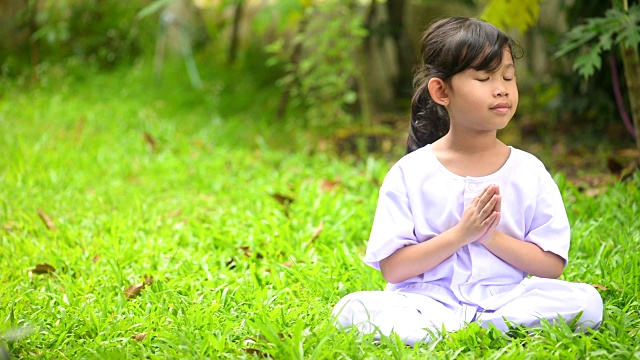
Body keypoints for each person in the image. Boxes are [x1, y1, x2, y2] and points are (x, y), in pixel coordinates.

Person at [332, 17, 603, 346]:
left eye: (507, 76)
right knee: (352, 309)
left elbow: (551, 265)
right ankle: (469, 330)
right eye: (484, 78)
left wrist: (490, 238)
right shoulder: (410, 173)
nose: (501, 88)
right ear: (441, 91)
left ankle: (473, 330)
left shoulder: (529, 171)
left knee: (587, 302)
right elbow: (393, 270)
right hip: (423, 303)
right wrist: (462, 234)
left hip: (506, 299)